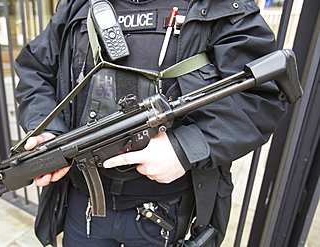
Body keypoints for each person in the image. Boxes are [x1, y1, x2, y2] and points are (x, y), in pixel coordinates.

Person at [15, 0, 287, 246]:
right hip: (83, 205)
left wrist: (184, 148)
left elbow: (260, 96)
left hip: (163, 213)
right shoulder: (78, 5)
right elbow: (35, 70)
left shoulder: (219, 5)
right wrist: (48, 128)